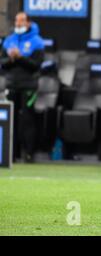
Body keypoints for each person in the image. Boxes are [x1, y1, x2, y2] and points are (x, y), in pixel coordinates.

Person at [0, 12, 44, 162]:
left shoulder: (37, 42)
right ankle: (11, 153)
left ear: (28, 23)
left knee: (27, 119)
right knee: (10, 120)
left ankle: (29, 153)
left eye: (21, 21)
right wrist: (12, 58)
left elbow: (36, 65)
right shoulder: (8, 41)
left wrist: (21, 58)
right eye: (16, 21)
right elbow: (3, 64)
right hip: (11, 85)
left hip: (29, 86)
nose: (18, 24)